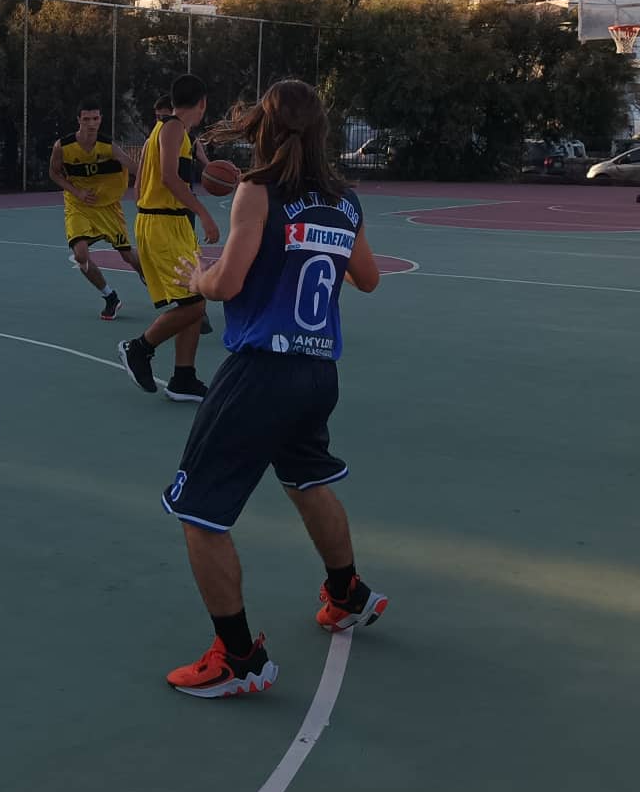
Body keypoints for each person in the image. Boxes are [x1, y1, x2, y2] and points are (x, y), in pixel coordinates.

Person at [156, 78, 388, 698]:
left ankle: (238, 658)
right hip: (318, 372)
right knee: (306, 479)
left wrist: (199, 279)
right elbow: (368, 278)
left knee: (198, 510)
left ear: (264, 127)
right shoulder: (343, 201)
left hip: (262, 371)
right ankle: (348, 593)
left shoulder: (258, 191)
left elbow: (228, 284)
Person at [118, 75, 219, 402]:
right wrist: (204, 213)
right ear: (202, 103)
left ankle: (183, 378)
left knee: (195, 300)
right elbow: (168, 177)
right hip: (163, 224)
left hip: (170, 223)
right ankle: (139, 348)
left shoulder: (165, 130)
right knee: (194, 305)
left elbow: (142, 185)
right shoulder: (174, 128)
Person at [51, 98, 144, 321]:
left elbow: (133, 167)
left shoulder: (109, 147)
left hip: (108, 207)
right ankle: (110, 296)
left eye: (95, 119)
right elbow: (54, 173)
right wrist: (77, 192)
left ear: (101, 119)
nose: (91, 124)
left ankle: (147, 275)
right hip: (79, 205)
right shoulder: (62, 146)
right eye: (86, 119)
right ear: (79, 120)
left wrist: (153, 177)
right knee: (81, 255)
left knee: (128, 255)